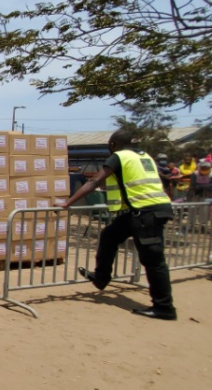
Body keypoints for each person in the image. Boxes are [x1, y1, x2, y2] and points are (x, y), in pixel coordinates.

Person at [64, 129, 176, 320]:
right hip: (142, 211)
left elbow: (94, 182)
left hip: (145, 212)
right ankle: (101, 277)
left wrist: (66, 203)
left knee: (153, 260)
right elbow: (162, 179)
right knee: (109, 236)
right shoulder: (144, 156)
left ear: (113, 145)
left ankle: (164, 307)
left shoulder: (119, 157)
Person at [186, 160, 212, 226]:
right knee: (192, 208)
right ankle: (191, 223)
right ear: (200, 167)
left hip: (206, 194)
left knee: (204, 209)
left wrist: (201, 186)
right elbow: (193, 185)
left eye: (206, 168)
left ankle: (203, 224)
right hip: (194, 194)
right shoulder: (195, 174)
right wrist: (205, 186)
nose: (205, 169)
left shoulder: (211, 175)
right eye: (203, 168)